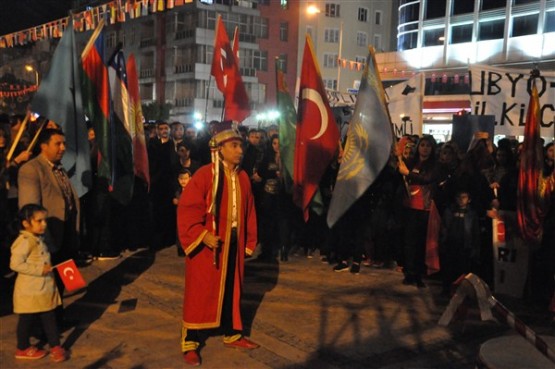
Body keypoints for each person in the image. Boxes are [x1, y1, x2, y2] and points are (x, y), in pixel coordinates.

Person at [177, 120, 259, 366]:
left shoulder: (243, 177)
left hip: (233, 242)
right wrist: (202, 235)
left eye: (240, 146)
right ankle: (190, 341)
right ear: (220, 149)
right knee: (200, 291)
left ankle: (232, 332)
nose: (239, 151)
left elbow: (250, 212)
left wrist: (249, 240)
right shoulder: (205, 174)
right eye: (234, 146)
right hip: (208, 244)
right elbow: (188, 208)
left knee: (232, 289)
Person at [18, 128, 81, 297]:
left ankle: (59, 317)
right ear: (43, 146)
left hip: (65, 232)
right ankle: (48, 321)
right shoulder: (31, 169)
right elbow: (30, 209)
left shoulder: (60, 168)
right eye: (57, 144)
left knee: (63, 281)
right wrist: (44, 239)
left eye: (64, 144)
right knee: (47, 286)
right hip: (49, 236)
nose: (62, 148)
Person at [10, 204, 67, 362]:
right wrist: (39, 269)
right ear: (26, 223)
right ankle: (22, 348)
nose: (44, 224)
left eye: (44, 220)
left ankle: (55, 346)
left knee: (49, 317)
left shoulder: (38, 239)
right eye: (39, 221)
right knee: (26, 320)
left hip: (43, 290)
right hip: (29, 291)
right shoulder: (24, 241)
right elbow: (15, 264)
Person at [439, 189, 480, 295]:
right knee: (449, 268)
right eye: (459, 197)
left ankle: (460, 292)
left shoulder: (471, 214)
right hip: (451, 244)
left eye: (464, 197)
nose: (461, 200)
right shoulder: (449, 211)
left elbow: (475, 232)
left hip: (465, 245)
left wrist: (475, 247)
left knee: (462, 269)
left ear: (469, 199)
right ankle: (446, 289)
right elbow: (444, 227)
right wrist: (443, 241)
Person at [173, 168, 192, 257]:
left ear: (190, 178)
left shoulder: (193, 191)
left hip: (189, 215)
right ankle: (180, 248)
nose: (183, 181)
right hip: (180, 215)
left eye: (185, 178)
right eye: (181, 179)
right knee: (180, 231)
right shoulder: (178, 191)